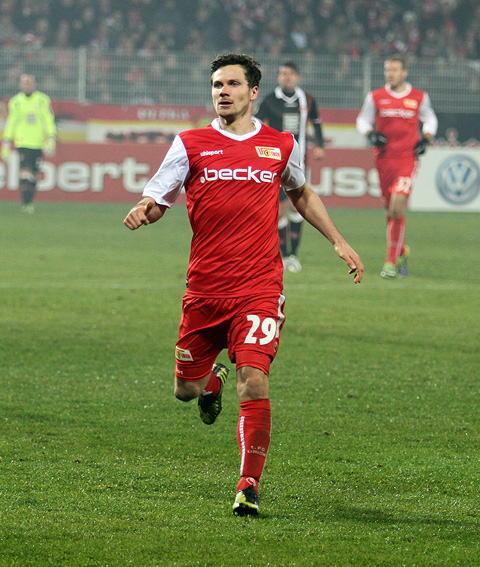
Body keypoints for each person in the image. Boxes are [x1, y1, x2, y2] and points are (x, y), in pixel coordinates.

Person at [124, 53, 363, 517]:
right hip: (205, 288)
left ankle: (248, 485)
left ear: (253, 92)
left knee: (254, 382)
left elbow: (301, 192)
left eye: (232, 84)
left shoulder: (280, 144)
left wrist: (338, 240)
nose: (223, 92)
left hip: (259, 287)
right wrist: (144, 211)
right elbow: (159, 197)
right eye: (217, 84)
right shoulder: (190, 143)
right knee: (185, 390)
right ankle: (210, 382)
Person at [356, 55, 438, 278]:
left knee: (397, 206)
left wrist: (426, 137)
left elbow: (430, 119)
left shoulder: (419, 97)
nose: (390, 74)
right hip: (384, 159)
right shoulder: (375, 97)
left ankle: (390, 262)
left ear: (404, 73)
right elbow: (362, 120)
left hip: (407, 159)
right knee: (389, 211)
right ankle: (401, 250)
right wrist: (370, 133)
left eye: (394, 70)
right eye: (387, 70)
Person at [255, 61, 326, 273]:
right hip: (275, 162)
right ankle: (284, 254)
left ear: (297, 77)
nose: (286, 77)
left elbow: (317, 123)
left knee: (296, 207)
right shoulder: (270, 100)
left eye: (290, 74)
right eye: (283, 73)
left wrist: (320, 145)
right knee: (278, 210)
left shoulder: (307, 100)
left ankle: (293, 255)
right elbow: (255, 124)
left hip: (298, 162)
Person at [1, 74, 56, 213]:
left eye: (29, 82)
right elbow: (11, 123)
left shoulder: (42, 100)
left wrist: (51, 139)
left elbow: (49, 120)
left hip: (38, 143)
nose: (27, 85)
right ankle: (25, 202)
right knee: (25, 173)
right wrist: (6, 143)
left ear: (34, 84)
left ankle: (29, 201)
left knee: (34, 175)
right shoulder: (16, 101)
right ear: (20, 85)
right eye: (24, 83)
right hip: (22, 142)